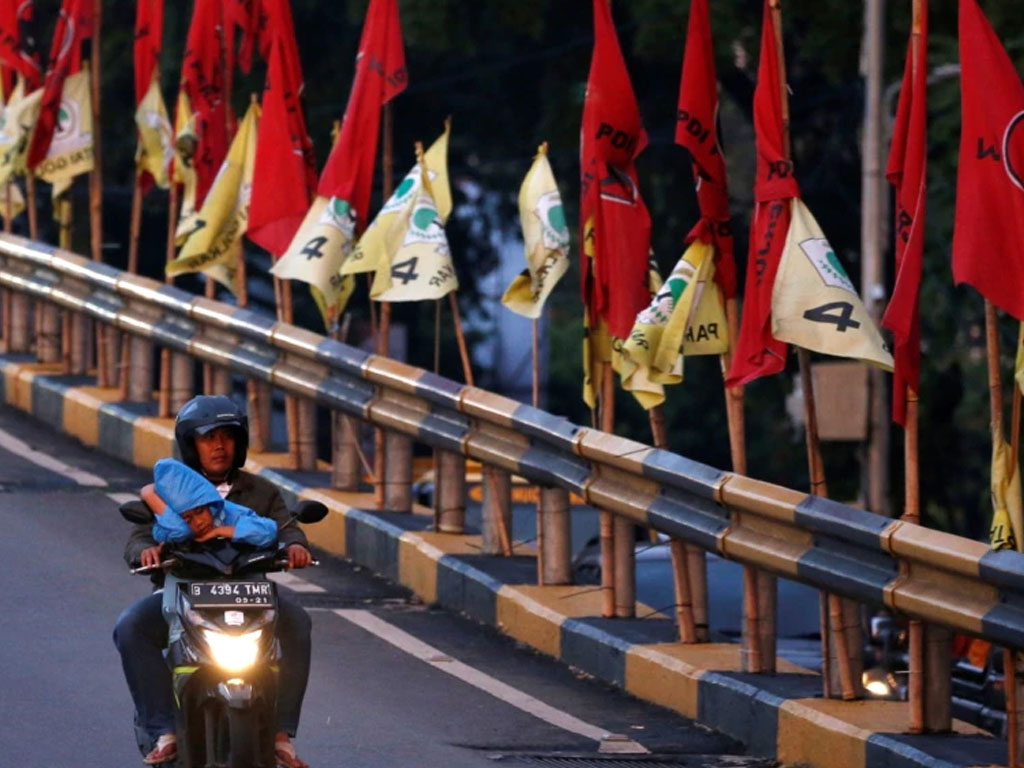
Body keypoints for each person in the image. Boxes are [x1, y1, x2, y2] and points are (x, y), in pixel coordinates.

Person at [113, 395, 314, 768]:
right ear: (192, 445)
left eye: (227, 436)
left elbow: (288, 530)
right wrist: (146, 552)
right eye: (208, 438)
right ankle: (164, 730)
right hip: (184, 589)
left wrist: (296, 548)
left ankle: (281, 734)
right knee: (130, 627)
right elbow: (141, 533)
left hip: (252, 592)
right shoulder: (171, 488)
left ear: (240, 443)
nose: (219, 446)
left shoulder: (261, 492)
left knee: (299, 622)